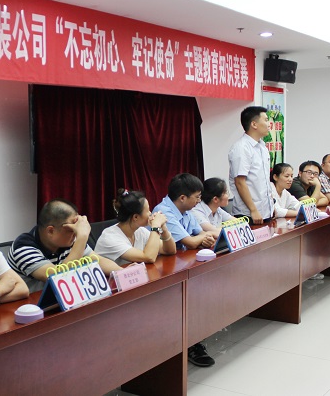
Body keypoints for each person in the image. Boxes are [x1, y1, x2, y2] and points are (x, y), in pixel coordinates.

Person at [153, 173, 215, 367]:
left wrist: (203, 238)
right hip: (162, 271)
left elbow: (201, 234)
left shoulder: (187, 211)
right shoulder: (163, 212)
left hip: (183, 264)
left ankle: (193, 338)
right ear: (182, 197)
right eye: (197, 197)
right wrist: (201, 239)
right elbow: (190, 241)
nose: (199, 201)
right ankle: (187, 344)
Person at [8, 199, 121, 292]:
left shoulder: (69, 240)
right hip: (29, 307)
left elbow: (97, 260)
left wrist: (123, 273)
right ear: (51, 231)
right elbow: (59, 278)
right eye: (71, 230)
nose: (75, 233)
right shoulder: (23, 247)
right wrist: (82, 237)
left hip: (58, 302)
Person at [95, 189, 177, 265]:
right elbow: (149, 257)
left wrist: (164, 229)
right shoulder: (110, 238)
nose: (150, 213)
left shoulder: (140, 231)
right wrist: (156, 226)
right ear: (135, 217)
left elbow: (169, 250)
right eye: (148, 210)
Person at [228, 106, 274, 225]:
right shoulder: (241, 148)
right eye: (266, 120)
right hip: (249, 214)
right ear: (254, 124)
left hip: (266, 211)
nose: (269, 124)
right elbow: (240, 182)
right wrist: (253, 210)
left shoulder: (262, 147)